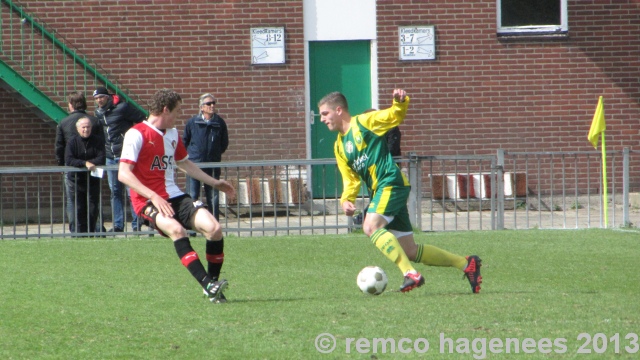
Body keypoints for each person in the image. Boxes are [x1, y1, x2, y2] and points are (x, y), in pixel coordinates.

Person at [318, 89, 482, 293]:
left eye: (325, 114)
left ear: (339, 110)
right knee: (410, 250)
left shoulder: (364, 122)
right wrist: (346, 199)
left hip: (391, 182)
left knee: (370, 226)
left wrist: (400, 103)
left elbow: (393, 116)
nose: (322, 119)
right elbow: (349, 178)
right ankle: (466, 264)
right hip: (381, 189)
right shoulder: (340, 146)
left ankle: (410, 274)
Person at [118, 88, 235, 303]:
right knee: (177, 230)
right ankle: (208, 285)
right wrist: (153, 196)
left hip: (174, 195)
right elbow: (123, 174)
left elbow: (184, 163)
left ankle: (212, 287)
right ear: (165, 110)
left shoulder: (172, 134)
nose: (179, 115)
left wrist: (214, 182)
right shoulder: (136, 134)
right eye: (177, 111)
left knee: (214, 229)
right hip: (146, 200)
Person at [93, 86, 146, 232]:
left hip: (126, 156)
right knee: (115, 191)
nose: (99, 100)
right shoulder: (98, 113)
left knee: (131, 191)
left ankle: (137, 224)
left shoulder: (123, 108)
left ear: (108, 96)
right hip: (110, 156)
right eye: (96, 99)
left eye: (101, 97)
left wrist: (133, 137)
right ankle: (118, 225)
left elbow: (143, 118)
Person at [55, 91, 104, 233]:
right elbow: (102, 143)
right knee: (92, 200)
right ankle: (93, 228)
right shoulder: (94, 121)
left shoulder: (64, 122)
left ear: (71, 105)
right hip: (90, 168)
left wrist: (61, 164)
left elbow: (59, 146)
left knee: (74, 201)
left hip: (72, 168)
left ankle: (75, 229)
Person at [183, 93, 229, 220]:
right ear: (201, 107)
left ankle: (214, 224)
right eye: (209, 103)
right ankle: (191, 225)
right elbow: (185, 141)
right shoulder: (192, 122)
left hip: (212, 165)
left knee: (213, 196)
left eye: (214, 103)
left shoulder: (219, 122)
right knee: (193, 196)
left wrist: (215, 154)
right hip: (194, 165)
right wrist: (192, 156)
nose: (212, 106)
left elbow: (224, 143)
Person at [64, 117, 106, 236]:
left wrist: (91, 163)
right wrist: (85, 163)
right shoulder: (72, 141)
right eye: (83, 127)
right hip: (76, 181)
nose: (86, 129)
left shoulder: (97, 141)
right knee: (79, 208)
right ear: (78, 129)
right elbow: (69, 159)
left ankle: (91, 232)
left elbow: (101, 157)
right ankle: (80, 234)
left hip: (93, 180)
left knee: (93, 208)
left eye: (88, 127)